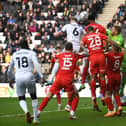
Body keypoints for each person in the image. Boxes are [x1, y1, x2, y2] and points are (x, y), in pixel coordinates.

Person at [38, 42, 86, 119]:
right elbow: (84, 55)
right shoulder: (75, 55)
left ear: (65, 49)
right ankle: (71, 112)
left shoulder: (60, 55)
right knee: (76, 96)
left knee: (49, 96)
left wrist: (53, 58)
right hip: (67, 80)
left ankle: (38, 112)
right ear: (72, 49)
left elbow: (54, 56)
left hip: (58, 79)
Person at [81, 26, 118, 111]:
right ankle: (103, 96)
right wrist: (108, 48)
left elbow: (81, 46)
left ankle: (94, 99)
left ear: (88, 31)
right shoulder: (100, 34)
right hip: (101, 56)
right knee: (102, 77)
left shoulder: (86, 37)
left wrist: (88, 50)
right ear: (94, 30)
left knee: (93, 78)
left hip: (93, 57)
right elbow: (108, 40)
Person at [7, 40, 43, 124]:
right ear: (27, 45)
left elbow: (9, 70)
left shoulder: (15, 54)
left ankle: (26, 111)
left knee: (21, 97)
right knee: (33, 96)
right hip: (29, 76)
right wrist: (41, 76)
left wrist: (10, 79)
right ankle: (35, 119)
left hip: (18, 77)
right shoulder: (31, 53)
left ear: (19, 46)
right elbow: (36, 64)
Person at [80, 14, 107, 104]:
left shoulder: (87, 28)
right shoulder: (101, 28)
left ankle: (86, 86)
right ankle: (103, 94)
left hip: (91, 54)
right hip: (101, 52)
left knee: (90, 74)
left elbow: (83, 42)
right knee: (102, 76)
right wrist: (105, 49)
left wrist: (87, 50)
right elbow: (105, 40)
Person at [104, 45, 123, 117]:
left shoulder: (109, 55)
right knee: (116, 93)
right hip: (118, 76)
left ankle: (111, 110)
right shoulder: (121, 55)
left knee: (107, 94)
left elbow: (102, 54)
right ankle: (119, 106)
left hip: (110, 76)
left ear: (113, 49)